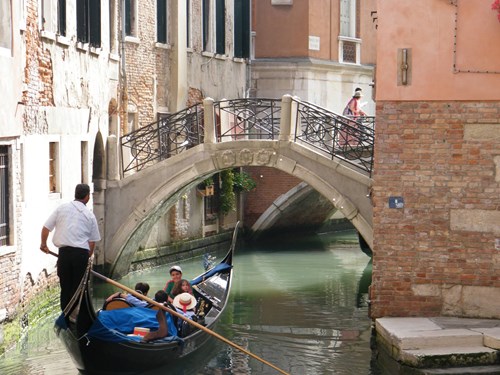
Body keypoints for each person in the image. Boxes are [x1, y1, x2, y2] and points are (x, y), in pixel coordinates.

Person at [40, 183, 101, 311]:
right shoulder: (90, 215)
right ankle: (75, 313)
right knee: (78, 288)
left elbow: (46, 228)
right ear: (87, 196)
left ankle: (65, 315)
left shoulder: (61, 208)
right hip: (81, 256)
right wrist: (86, 257)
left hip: (64, 254)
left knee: (65, 287)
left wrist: (43, 244)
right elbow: (92, 242)